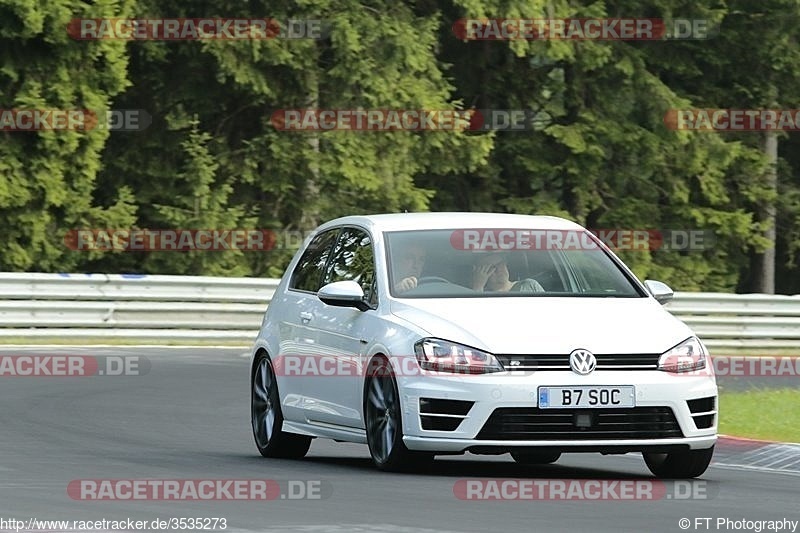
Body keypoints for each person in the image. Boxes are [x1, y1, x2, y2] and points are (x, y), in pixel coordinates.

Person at [471, 252, 545, 293]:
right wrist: (478, 287)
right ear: (480, 273)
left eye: (500, 264)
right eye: (491, 267)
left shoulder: (530, 285)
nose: (498, 269)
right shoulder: (482, 294)